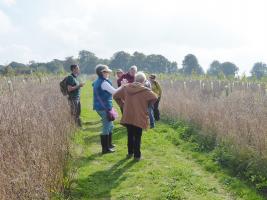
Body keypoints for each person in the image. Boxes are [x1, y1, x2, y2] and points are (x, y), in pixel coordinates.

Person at [113, 72, 158, 161]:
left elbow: (115, 96)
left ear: (135, 79)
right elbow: (155, 97)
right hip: (139, 115)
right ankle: (137, 156)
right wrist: (148, 105)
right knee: (137, 136)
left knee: (130, 134)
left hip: (128, 114)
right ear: (144, 81)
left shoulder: (126, 88)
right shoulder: (145, 90)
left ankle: (130, 153)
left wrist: (122, 105)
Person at [93, 64, 124, 154]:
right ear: (102, 73)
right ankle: (105, 149)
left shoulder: (98, 81)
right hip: (104, 107)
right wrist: (123, 85)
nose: (108, 73)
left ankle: (109, 144)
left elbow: (93, 85)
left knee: (110, 125)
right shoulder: (104, 83)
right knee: (106, 127)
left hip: (102, 107)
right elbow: (115, 92)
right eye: (107, 72)